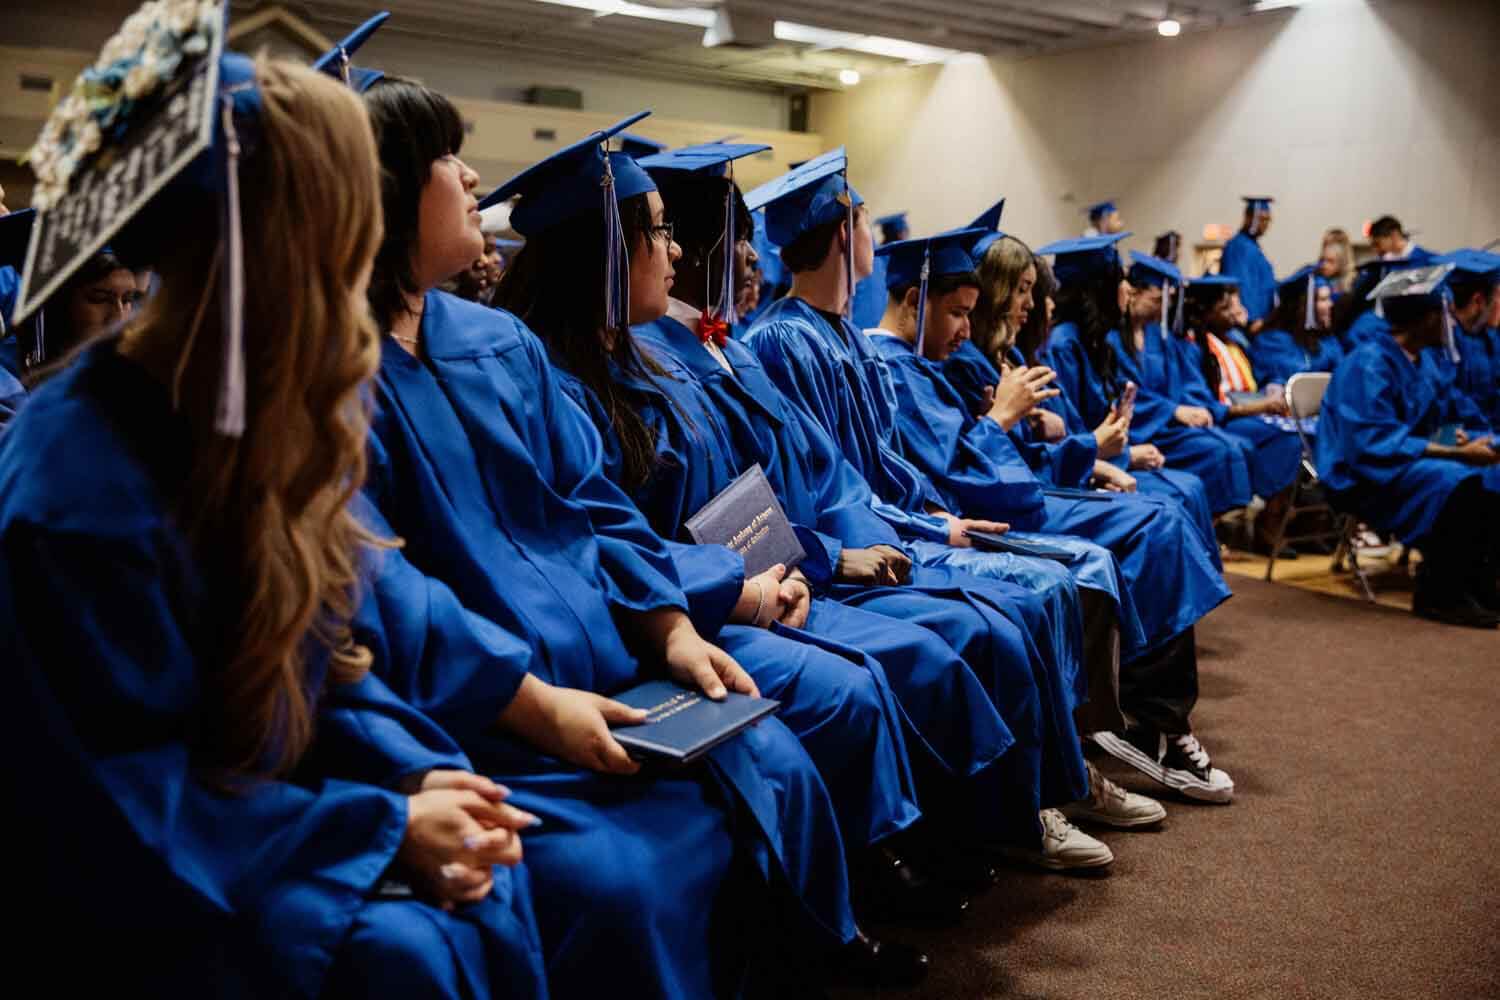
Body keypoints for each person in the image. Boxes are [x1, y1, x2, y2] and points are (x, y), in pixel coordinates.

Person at [1, 26, 548, 996]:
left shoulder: (240, 417)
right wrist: (376, 827)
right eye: (346, 242)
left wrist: (412, 776)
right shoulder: (75, 494)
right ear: (270, 261)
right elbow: (113, 808)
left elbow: (324, 661)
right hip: (157, 882)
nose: (364, 270)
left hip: (260, 813)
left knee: (486, 860)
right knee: (412, 956)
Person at [358, 88, 926, 993]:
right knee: (631, 876)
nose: (473, 176)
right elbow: (383, 597)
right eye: (445, 160)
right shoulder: (331, 385)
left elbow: (599, 509)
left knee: (770, 754)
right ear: (381, 192)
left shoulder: (496, 341)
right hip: (485, 704)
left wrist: (671, 628)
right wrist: (536, 700)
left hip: (620, 655)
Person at [628, 143, 1155, 866]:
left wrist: (907, 527)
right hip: (780, 570)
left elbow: (834, 469)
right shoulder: (753, 343)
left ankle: (1032, 795)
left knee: (1021, 605)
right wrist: (833, 553)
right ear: (844, 233)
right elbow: (730, 503)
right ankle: (1000, 815)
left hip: (827, 547)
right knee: (986, 621)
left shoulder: (740, 348)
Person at [867, 228, 1234, 804]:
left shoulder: (950, 357)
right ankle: (1137, 720)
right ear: (920, 302)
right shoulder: (897, 366)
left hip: (1019, 494)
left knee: (1162, 509)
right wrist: (1010, 422)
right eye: (1020, 291)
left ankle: (1152, 717)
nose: (1032, 307)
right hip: (984, 513)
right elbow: (960, 473)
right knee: (1140, 531)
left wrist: (1079, 450)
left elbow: (997, 461)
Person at [1316, 262, 1500, 627]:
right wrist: (1454, 451)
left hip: (1404, 462)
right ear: (1426, 319)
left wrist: (1471, 439)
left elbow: (1448, 414)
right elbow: (1369, 442)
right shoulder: (1367, 364)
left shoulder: (1424, 360)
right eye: (1442, 313)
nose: (1449, 321)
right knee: (1455, 480)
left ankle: (1476, 583)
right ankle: (1439, 593)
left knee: (1490, 473)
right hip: (1363, 476)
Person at [1044, 234, 1253, 517]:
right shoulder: (1065, 344)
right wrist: (1127, 454)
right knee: (1178, 496)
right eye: (1122, 281)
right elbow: (1073, 430)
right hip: (1092, 464)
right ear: (1100, 289)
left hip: (1118, 446)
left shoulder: (1094, 341)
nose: (1127, 290)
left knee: (1192, 484)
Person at [1420, 250, 1500, 430]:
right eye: (1498, 297)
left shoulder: (1488, 336)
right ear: (1478, 301)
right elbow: (1448, 400)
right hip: (1457, 440)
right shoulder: (1436, 342)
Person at [1251, 265, 1345, 390]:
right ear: (1304, 307)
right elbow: (1299, 380)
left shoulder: (1327, 340)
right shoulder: (1272, 341)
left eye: (1329, 298)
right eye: (1323, 299)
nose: (1331, 304)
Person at [1219, 196, 1276, 332]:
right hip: (1248, 325)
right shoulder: (1238, 246)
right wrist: (1253, 319)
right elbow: (1241, 285)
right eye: (1262, 219)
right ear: (1249, 218)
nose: (1266, 224)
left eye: (1268, 220)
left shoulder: (1253, 246)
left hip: (1262, 321)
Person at [1318, 227, 1355, 297]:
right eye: (1323, 260)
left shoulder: (1353, 285)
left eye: (1330, 261)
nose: (1324, 265)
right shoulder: (1316, 280)